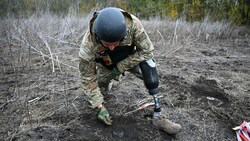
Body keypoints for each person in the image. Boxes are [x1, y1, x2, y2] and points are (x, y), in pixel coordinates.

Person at [79, 7, 181, 134]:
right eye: (106, 44)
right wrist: (99, 106)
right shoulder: (88, 44)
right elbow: (87, 77)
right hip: (105, 64)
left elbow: (147, 51)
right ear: (99, 38)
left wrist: (120, 67)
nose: (111, 48)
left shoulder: (134, 25)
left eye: (115, 43)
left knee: (149, 67)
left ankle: (158, 116)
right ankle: (103, 97)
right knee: (100, 89)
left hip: (129, 57)